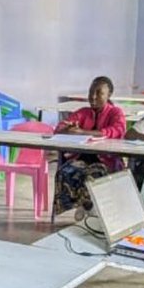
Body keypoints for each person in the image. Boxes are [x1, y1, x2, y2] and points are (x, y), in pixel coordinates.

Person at [53, 75, 127, 216]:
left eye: (99, 93)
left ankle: (90, 208)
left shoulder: (115, 113)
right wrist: (67, 129)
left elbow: (117, 131)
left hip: (106, 161)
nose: (93, 97)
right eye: (90, 92)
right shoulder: (83, 113)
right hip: (81, 159)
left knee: (92, 174)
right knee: (65, 172)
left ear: (109, 95)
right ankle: (84, 206)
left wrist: (82, 132)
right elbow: (59, 127)